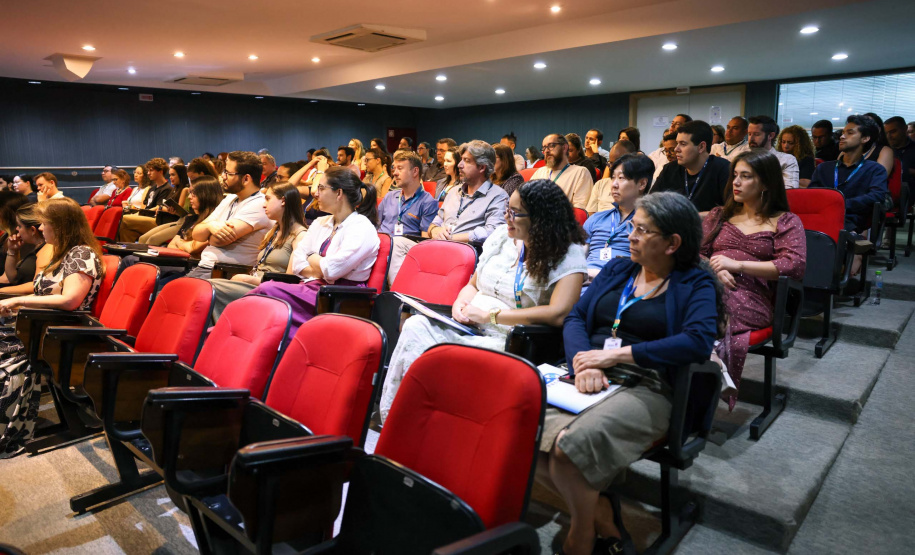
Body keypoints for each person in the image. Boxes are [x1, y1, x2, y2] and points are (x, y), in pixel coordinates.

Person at [539, 191, 719, 555]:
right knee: (514, 424)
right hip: (588, 371)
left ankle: (583, 532)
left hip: (649, 384)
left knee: (567, 448)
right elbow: (575, 317)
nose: (631, 236)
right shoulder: (619, 268)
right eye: (632, 227)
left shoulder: (694, 283)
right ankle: (602, 517)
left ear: (673, 243)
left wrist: (617, 355)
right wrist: (582, 360)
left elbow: (698, 342)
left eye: (642, 230)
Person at [380, 179, 588, 421]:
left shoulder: (566, 253)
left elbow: (559, 313)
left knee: (443, 355)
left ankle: (434, 421)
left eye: (515, 213)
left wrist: (491, 316)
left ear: (540, 218)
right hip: (470, 325)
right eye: (507, 210)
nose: (507, 217)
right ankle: (397, 418)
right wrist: (460, 303)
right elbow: (473, 284)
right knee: (416, 326)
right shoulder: (501, 237)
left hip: (511, 338)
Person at [0, 198, 105, 457]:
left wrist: (17, 300)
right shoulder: (61, 252)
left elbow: (70, 300)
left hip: (57, 333)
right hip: (37, 324)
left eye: (45, 223)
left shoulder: (82, 253)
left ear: (60, 226)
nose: (41, 228)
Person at [702, 150, 806, 409]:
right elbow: (696, 253)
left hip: (752, 297)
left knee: (710, 302)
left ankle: (703, 361)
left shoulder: (785, 221)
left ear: (766, 183)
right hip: (710, 286)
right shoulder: (719, 215)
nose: (736, 182)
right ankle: (709, 359)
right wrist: (714, 269)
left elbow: (793, 265)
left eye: (745, 176)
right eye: (735, 175)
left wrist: (737, 265)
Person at [245, 167, 379, 337]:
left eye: (321, 188)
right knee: (264, 302)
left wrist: (312, 257)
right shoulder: (320, 222)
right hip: (313, 289)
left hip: (339, 297)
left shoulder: (362, 227)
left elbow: (332, 270)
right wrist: (319, 264)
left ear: (339, 193)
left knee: (267, 291)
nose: (315, 193)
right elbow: (298, 264)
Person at [208, 182, 307, 322]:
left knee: (212, 290)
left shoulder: (300, 236)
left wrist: (251, 280)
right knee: (206, 288)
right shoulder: (273, 232)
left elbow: (290, 282)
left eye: (268, 199)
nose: (263, 204)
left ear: (283, 201)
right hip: (255, 285)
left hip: (270, 291)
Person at [189, 151, 272, 279]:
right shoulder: (229, 199)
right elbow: (196, 234)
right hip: (206, 267)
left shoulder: (259, 204)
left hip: (224, 273)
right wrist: (210, 226)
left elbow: (218, 240)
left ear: (246, 179)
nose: (223, 177)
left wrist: (208, 234)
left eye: (228, 173)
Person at [809, 115, 889, 236]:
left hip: (851, 219)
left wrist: (843, 204)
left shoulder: (874, 169)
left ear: (865, 138)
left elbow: (877, 196)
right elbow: (812, 195)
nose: (842, 136)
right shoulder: (824, 168)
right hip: (821, 217)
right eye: (842, 132)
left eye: (850, 133)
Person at [427, 140, 509, 247]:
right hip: (438, 246)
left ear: (481, 167)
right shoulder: (453, 192)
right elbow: (434, 224)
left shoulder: (498, 196)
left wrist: (451, 238)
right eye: (461, 160)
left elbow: (493, 232)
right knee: (400, 243)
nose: (459, 165)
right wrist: (435, 231)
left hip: (466, 252)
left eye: (466, 160)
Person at [583, 154, 653, 279]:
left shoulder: (650, 223)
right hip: (584, 280)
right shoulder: (596, 218)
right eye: (613, 178)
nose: (614, 184)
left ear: (642, 184)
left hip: (621, 282)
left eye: (621, 178)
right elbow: (578, 256)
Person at [382, 151, 440, 284]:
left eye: (400, 168)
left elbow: (425, 242)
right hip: (382, 248)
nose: (395, 173)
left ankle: (398, 293)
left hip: (405, 251)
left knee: (395, 244)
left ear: (415, 172)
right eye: (394, 168)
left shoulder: (427, 202)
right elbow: (376, 226)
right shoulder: (389, 197)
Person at [651, 120, 730, 217]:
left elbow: (732, 209)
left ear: (701, 147)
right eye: (677, 143)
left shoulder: (723, 169)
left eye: (683, 144)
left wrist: (694, 217)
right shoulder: (670, 169)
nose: (676, 149)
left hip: (709, 229)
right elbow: (651, 202)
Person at [0, 204, 53, 294]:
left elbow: (37, 285)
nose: (17, 229)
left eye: (20, 226)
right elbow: (13, 278)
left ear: (32, 230)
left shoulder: (48, 248)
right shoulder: (32, 247)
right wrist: (12, 251)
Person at [532, 133, 593, 210]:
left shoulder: (580, 172)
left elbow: (579, 210)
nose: (546, 151)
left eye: (551, 146)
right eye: (544, 148)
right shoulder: (540, 172)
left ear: (564, 147)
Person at [119, 158, 173, 241]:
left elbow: (159, 206)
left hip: (156, 220)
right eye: (148, 170)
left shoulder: (167, 188)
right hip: (147, 216)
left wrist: (141, 213)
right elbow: (145, 205)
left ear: (160, 171)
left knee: (124, 218)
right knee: (126, 230)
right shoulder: (152, 188)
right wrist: (139, 213)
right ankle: (123, 251)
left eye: (151, 170)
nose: (148, 173)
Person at [747, 116, 799, 189]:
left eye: (756, 134)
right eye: (749, 134)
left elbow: (790, 191)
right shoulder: (743, 158)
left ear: (771, 136)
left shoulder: (787, 160)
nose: (751, 139)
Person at [862, 113, 896, 177]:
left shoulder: (885, 151)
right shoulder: (846, 151)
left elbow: (878, 179)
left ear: (878, 130)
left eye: (869, 125)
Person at [885, 116, 915, 185]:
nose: (889, 136)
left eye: (893, 132)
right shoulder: (883, 150)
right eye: (886, 133)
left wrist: (907, 171)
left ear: (905, 129)